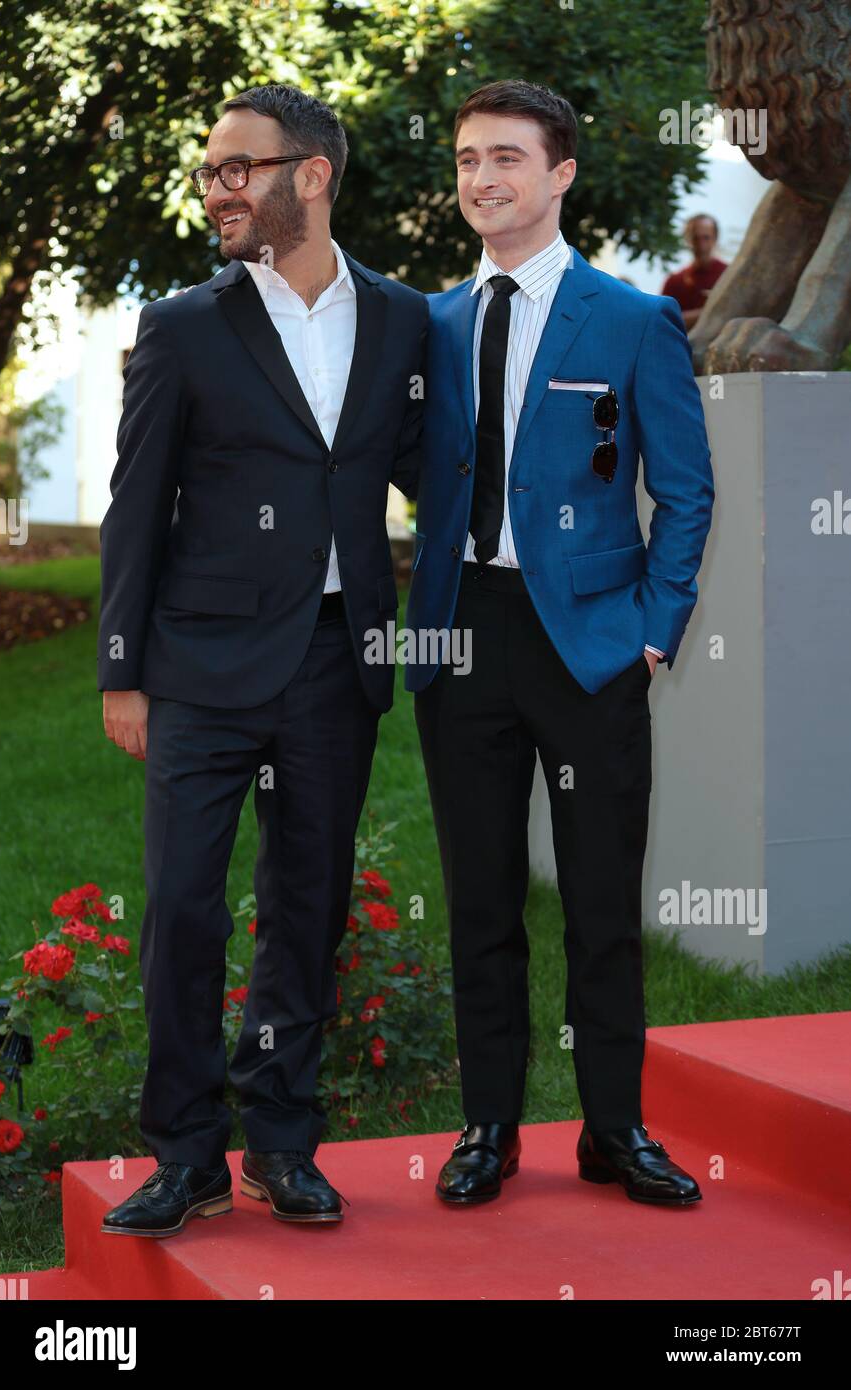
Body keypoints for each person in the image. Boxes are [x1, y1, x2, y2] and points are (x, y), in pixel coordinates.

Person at [97, 83, 426, 1235]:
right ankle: (183, 1150)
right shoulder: (183, 324)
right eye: (209, 174)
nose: (217, 191)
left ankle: (282, 1138)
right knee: (183, 906)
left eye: (238, 168)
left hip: (335, 666)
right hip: (197, 669)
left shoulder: (399, 319)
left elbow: (433, 476)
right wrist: (121, 670)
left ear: (313, 175)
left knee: (307, 906)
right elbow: (134, 508)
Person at [405, 79, 714, 1207]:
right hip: (459, 637)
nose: (480, 179)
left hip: (589, 643)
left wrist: (652, 632)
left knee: (596, 898)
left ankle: (612, 1129)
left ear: (560, 174)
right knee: (479, 898)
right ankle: (487, 1125)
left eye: (504, 158)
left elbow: (683, 492)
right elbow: (417, 466)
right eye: (466, 160)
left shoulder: (633, 321)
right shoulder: (429, 324)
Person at [661, 213, 728, 329]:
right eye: (695, 238)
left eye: (706, 237)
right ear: (688, 240)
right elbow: (663, 321)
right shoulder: (674, 282)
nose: (701, 245)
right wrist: (709, 311)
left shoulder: (728, 275)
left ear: (715, 238)